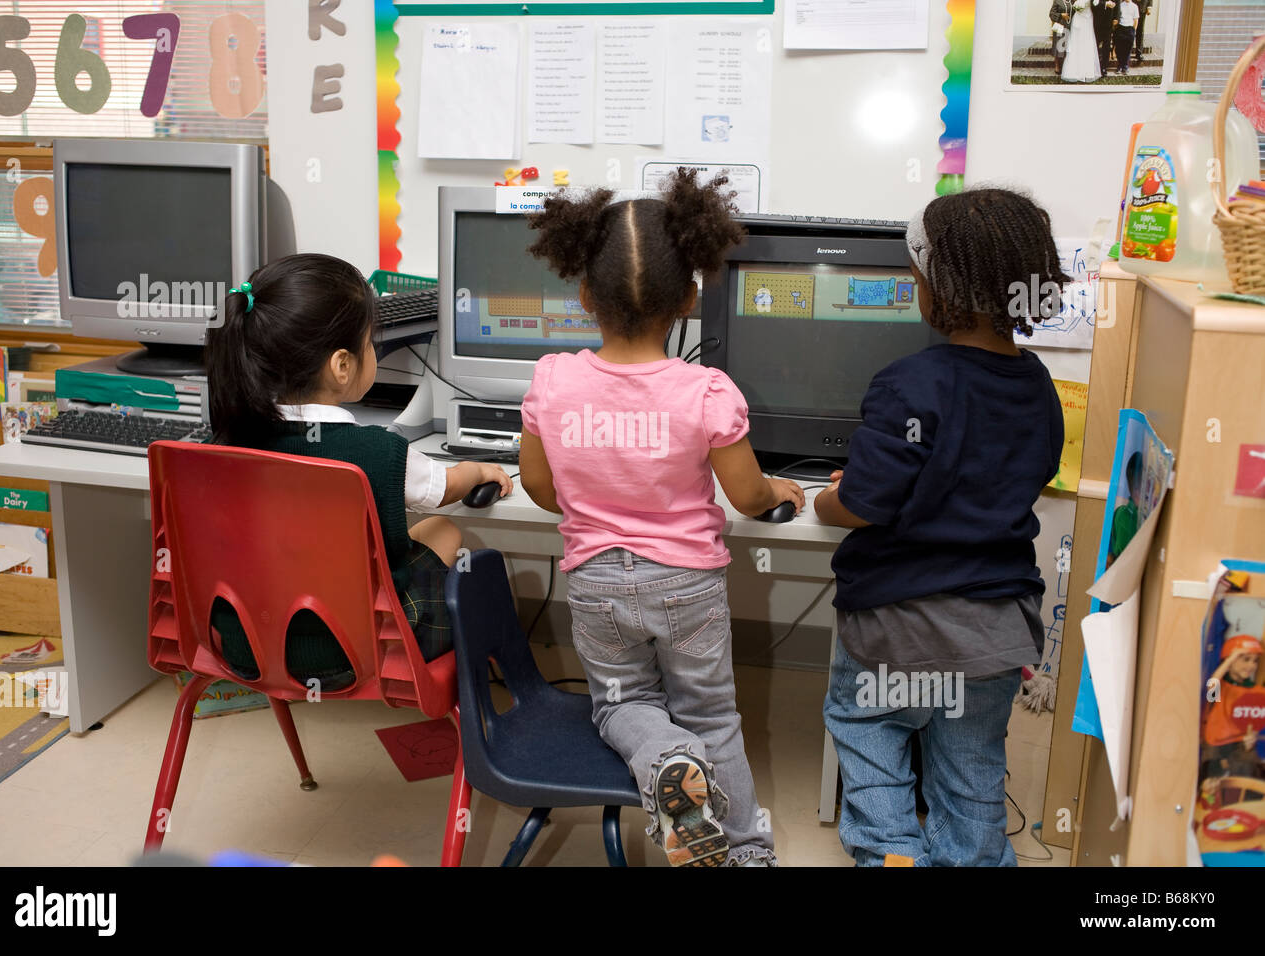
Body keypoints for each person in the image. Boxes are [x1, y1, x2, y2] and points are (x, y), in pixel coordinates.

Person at [517, 168, 804, 867]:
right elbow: (746, 496)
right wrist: (779, 496)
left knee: (620, 707)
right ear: (688, 298)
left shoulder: (552, 381)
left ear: (585, 294)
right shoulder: (706, 390)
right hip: (688, 588)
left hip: (596, 588)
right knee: (713, 717)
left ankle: (665, 759)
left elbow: (538, 486)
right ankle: (746, 852)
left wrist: (591, 501)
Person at [814, 188, 1066, 866]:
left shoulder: (909, 384)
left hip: (897, 631)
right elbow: (1019, 479)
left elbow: (863, 506)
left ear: (938, 289)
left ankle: (893, 854)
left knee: (871, 746)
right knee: (970, 775)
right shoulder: (1040, 385)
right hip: (992, 637)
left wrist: (825, 501)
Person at [205, 253, 512, 689]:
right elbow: (445, 487)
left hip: (245, 648)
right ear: (342, 365)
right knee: (444, 531)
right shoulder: (376, 453)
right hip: (357, 651)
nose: (375, 352)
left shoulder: (222, 444)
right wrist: (475, 469)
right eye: (372, 344)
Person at [1061, 1, 1102, 82]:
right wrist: (1076, 6)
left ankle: (1087, 72)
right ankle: (1073, 72)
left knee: (1087, 43)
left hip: (1087, 19)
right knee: (1076, 44)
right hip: (1078, 18)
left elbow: (1096, 3)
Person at [1113, 0, 1141, 74]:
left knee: (1127, 49)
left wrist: (1133, 31)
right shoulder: (1120, 5)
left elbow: (1136, 20)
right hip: (1121, 28)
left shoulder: (1135, 6)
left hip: (1130, 29)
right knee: (1119, 49)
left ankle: (1125, 66)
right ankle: (1119, 66)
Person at [1093, 0, 1118, 76]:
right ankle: (1094, 66)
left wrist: (1116, 17)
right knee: (1095, 45)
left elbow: (1117, 3)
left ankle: (1104, 67)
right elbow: (1093, 4)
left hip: (1109, 22)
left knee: (1106, 46)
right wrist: (1105, 4)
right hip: (1097, 22)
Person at [1049, 0, 1074, 76]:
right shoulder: (1057, 1)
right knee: (1058, 46)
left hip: (1069, 27)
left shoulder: (1072, 2)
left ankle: (1065, 65)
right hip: (1059, 26)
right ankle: (1057, 66)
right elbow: (1051, 14)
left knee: (1066, 47)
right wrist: (1061, 15)